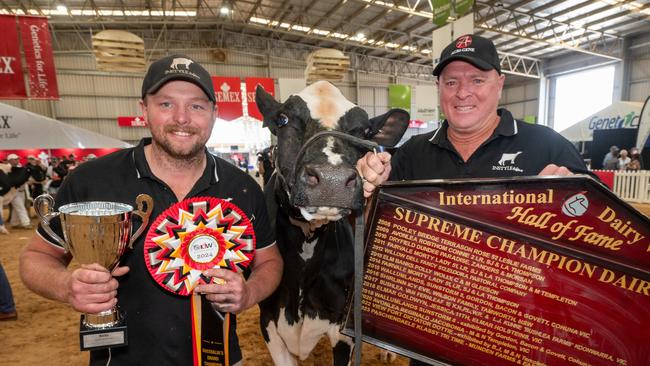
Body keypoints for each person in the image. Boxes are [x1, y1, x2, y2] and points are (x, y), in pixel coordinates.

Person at [20, 54, 283, 366]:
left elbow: (269, 261)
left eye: (197, 105)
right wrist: (67, 286)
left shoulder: (242, 187)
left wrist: (250, 292)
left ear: (213, 113)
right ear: (143, 109)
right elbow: (35, 258)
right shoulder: (93, 180)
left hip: (217, 357)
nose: (182, 118)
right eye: (166, 104)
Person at [357, 34, 592, 366]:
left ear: (500, 83)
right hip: (431, 337)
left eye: (477, 80)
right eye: (451, 81)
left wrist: (571, 205)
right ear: (439, 88)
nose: (462, 92)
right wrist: (369, 193)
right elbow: (377, 240)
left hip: (516, 339)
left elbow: (600, 235)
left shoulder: (547, 147)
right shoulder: (411, 154)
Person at [6, 154, 32, 229]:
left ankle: (14, 223)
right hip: (13, 191)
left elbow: (24, 179)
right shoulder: (7, 169)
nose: (17, 160)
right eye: (15, 159)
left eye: (17, 159)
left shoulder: (21, 168)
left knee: (17, 207)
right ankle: (26, 223)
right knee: (20, 206)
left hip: (22, 191)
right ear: (9, 160)